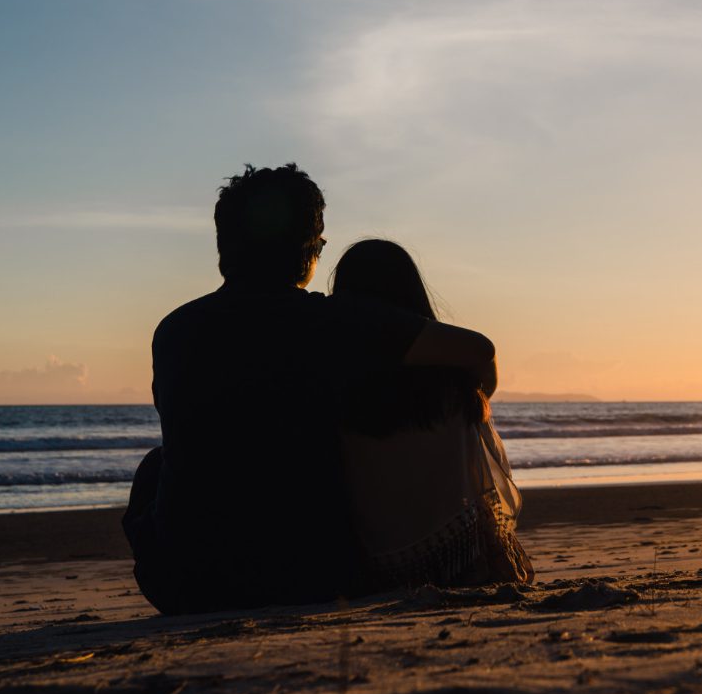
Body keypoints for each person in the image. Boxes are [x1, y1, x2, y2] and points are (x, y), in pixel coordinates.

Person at [123, 164, 498, 614]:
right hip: (312, 577)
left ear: (223, 248)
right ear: (308, 252)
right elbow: (479, 351)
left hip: (184, 585)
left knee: (156, 465)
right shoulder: (336, 322)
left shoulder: (173, 331)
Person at [330, 239, 533, 588]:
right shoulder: (451, 384)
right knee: (470, 406)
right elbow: (485, 363)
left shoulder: (334, 378)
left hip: (376, 558)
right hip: (458, 551)